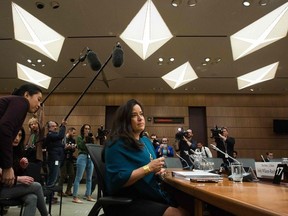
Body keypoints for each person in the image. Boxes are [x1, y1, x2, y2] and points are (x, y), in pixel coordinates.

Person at [104, 99, 189, 216]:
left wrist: (158, 170)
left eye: (141, 114)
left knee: (190, 206)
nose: (140, 118)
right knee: (179, 214)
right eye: (134, 115)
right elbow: (117, 180)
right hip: (128, 200)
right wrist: (148, 168)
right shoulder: (116, 144)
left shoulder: (145, 141)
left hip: (149, 194)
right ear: (124, 120)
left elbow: (150, 166)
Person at [0, 83, 42, 187]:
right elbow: (5, 128)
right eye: (38, 99)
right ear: (27, 95)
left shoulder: (13, 101)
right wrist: (7, 167)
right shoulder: (22, 101)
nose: (39, 104)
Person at [0, 128, 49, 216]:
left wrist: (22, 167)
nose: (17, 138)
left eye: (20, 135)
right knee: (37, 186)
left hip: (11, 187)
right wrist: (18, 179)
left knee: (32, 198)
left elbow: (15, 173)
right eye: (15, 134)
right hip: (2, 189)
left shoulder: (17, 150)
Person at [72, 124, 96, 204]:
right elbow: (80, 146)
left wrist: (92, 140)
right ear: (83, 129)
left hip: (90, 157)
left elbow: (92, 147)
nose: (87, 130)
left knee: (89, 178)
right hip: (82, 156)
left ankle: (88, 195)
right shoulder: (79, 137)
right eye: (86, 128)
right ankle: (75, 197)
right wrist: (85, 138)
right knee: (78, 177)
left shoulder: (90, 137)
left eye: (88, 129)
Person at [45, 120, 67, 188]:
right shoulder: (50, 135)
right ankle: (49, 196)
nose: (55, 127)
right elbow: (60, 136)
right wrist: (63, 126)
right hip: (54, 159)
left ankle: (51, 195)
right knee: (53, 176)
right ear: (49, 128)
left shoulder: (55, 135)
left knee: (56, 176)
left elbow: (59, 144)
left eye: (56, 126)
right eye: (53, 126)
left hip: (58, 158)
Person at [58, 127, 77, 196]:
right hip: (63, 159)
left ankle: (68, 190)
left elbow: (73, 150)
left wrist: (72, 148)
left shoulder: (73, 140)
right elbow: (60, 148)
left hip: (70, 159)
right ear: (69, 131)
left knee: (72, 174)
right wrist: (65, 148)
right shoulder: (63, 139)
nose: (74, 134)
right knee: (63, 175)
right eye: (73, 133)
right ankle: (59, 191)